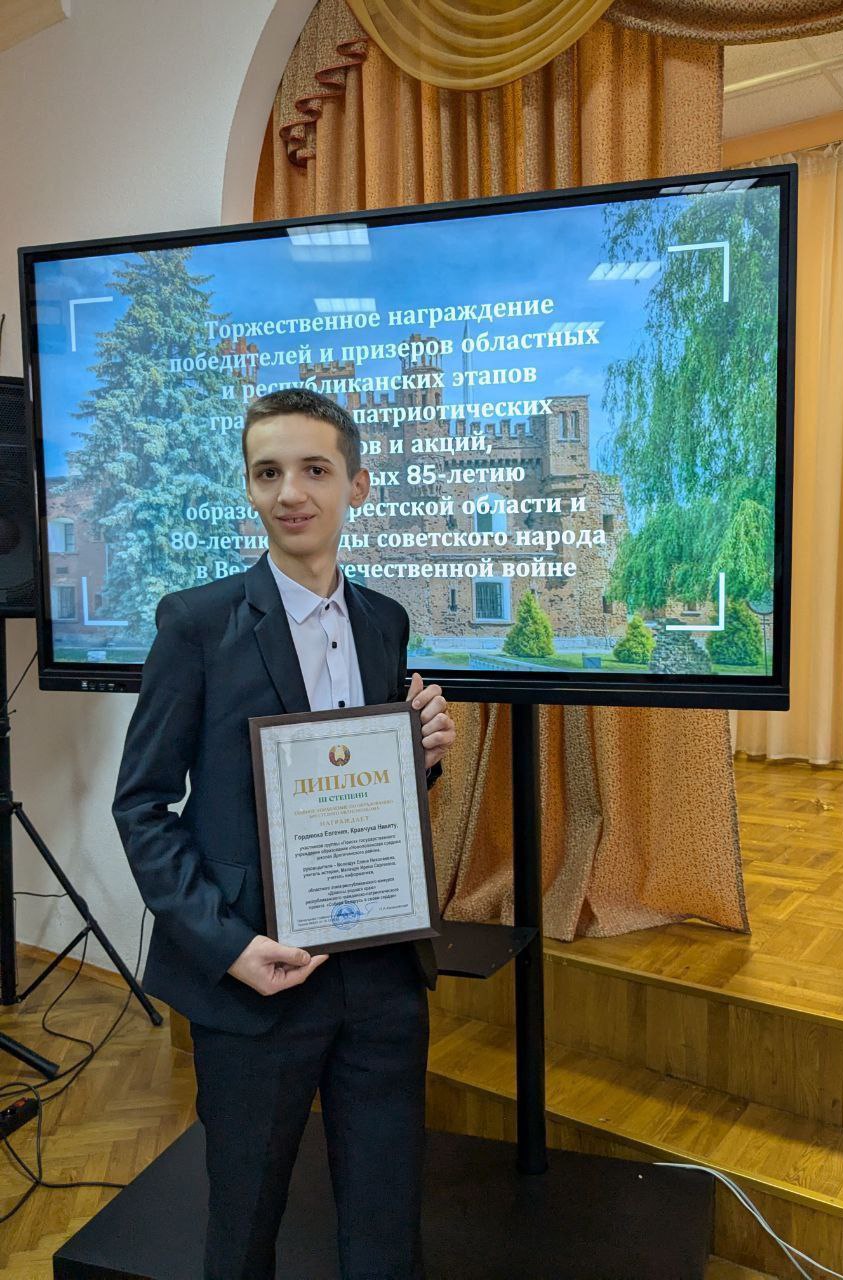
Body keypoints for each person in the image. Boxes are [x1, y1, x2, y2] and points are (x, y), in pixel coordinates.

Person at [112, 388, 455, 1280]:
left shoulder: (385, 621)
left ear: (357, 486)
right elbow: (142, 806)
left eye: (314, 470)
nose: (290, 492)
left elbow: (359, 792)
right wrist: (229, 947)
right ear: (249, 488)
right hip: (255, 978)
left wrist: (418, 758)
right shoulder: (195, 624)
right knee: (244, 1225)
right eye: (268, 473)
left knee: (386, 1225)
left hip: (381, 975)